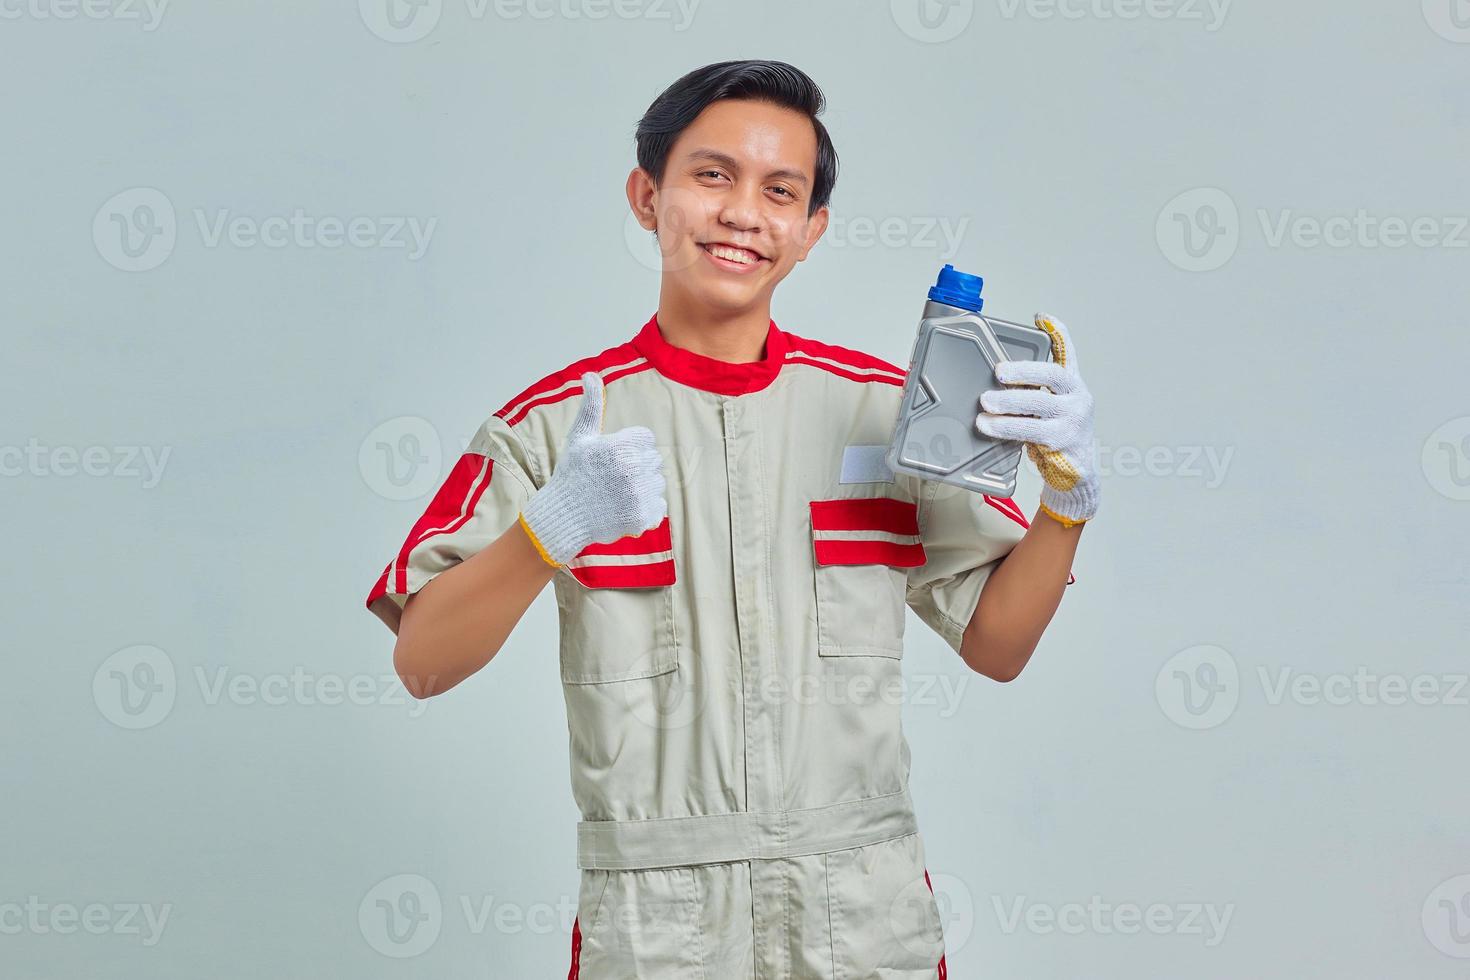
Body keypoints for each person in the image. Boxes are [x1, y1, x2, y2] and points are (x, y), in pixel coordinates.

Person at [364, 59, 1098, 979]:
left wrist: (1066, 504)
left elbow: (996, 647)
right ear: (647, 195)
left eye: (780, 191)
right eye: (712, 175)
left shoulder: (887, 412)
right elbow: (423, 662)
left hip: (862, 918)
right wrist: (551, 527)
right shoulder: (554, 426)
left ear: (810, 230)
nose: (744, 212)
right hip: (657, 924)